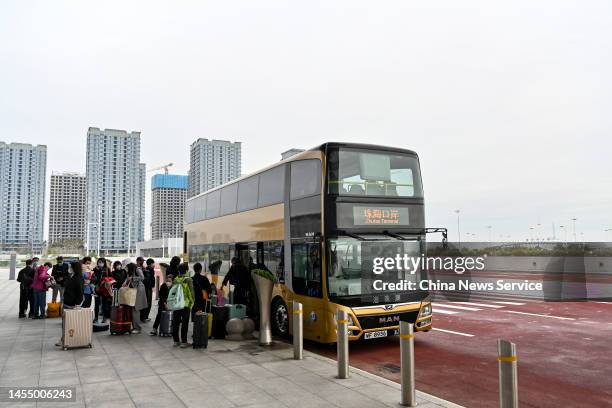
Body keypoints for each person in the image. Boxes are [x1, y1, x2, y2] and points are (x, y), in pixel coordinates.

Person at [56, 262, 84, 347]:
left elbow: (80, 293)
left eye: (70, 267)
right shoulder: (71, 276)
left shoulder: (78, 278)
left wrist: (77, 304)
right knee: (65, 323)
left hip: (72, 304)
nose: (69, 268)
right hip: (67, 302)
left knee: (69, 324)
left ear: (74, 268)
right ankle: (64, 339)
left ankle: (66, 339)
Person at [172, 263, 195, 348]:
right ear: (186, 270)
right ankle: (184, 342)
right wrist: (192, 302)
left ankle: (176, 341)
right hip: (186, 304)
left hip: (177, 304)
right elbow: (192, 292)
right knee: (185, 323)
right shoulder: (188, 279)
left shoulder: (176, 279)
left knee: (176, 322)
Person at [124, 263, 148, 334]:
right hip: (134, 291)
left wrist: (133, 278)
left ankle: (137, 328)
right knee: (134, 309)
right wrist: (125, 283)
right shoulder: (130, 272)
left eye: (127, 267)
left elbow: (142, 277)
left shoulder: (137, 269)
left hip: (139, 291)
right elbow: (127, 278)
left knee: (136, 309)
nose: (126, 269)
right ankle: (135, 327)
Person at [92, 258, 109, 322]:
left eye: (102, 262)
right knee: (96, 304)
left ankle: (104, 318)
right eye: (99, 262)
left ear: (104, 263)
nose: (100, 263)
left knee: (104, 304)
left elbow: (110, 278)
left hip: (104, 289)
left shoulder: (107, 269)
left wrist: (105, 281)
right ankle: (96, 318)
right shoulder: (95, 269)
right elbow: (92, 278)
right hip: (97, 288)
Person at [140, 258, 155, 322]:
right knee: (147, 303)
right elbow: (147, 280)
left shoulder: (151, 270)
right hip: (147, 288)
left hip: (149, 288)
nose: (153, 264)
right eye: (152, 263)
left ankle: (145, 316)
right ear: (150, 264)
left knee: (148, 303)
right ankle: (144, 317)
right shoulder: (147, 271)